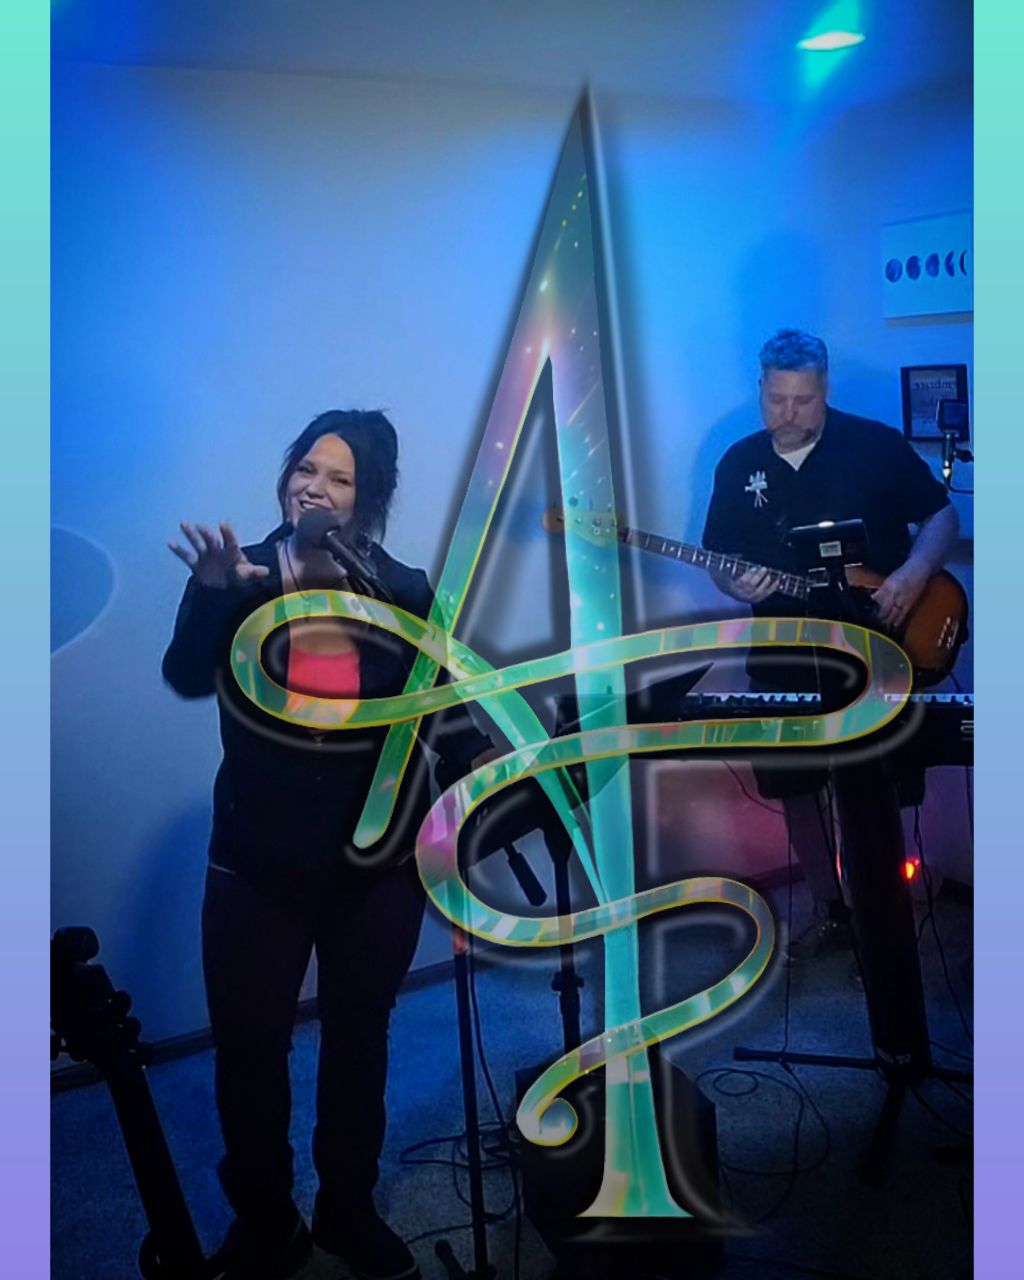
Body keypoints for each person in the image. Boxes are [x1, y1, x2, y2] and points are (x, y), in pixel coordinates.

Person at [163, 410, 491, 1280]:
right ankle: (266, 1220)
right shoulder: (238, 571)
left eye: (338, 478)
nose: (314, 487)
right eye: (305, 468)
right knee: (249, 1046)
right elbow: (186, 675)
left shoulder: (402, 588)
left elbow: (448, 716)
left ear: (367, 500)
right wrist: (213, 594)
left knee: (358, 1038)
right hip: (256, 862)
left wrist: (508, 771)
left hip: (375, 864)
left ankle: (347, 1209)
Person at [701, 329, 959, 962]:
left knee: (879, 783)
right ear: (760, 389)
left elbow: (941, 515)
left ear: (825, 389)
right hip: (784, 651)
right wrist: (733, 581)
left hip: (879, 648)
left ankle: (887, 920)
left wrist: (914, 574)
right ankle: (830, 911)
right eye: (778, 400)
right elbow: (719, 559)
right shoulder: (737, 463)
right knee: (796, 785)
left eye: (805, 400)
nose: (790, 414)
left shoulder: (875, 444)